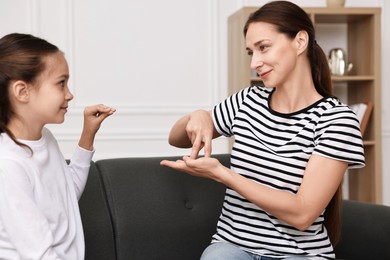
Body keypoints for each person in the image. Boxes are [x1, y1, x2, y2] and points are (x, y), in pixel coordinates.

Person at [160, 1, 365, 259]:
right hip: (233, 247)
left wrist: (224, 175)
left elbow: (302, 214)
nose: (254, 63)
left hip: (299, 254)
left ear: (300, 42)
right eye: (250, 52)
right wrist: (199, 116)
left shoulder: (336, 120)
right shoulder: (247, 101)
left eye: (263, 47)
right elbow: (175, 138)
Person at [0, 33, 116, 259]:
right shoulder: (8, 165)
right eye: (61, 83)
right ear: (22, 91)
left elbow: (66, 197)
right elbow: (40, 254)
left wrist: (88, 135)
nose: (69, 94)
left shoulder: (45, 138)